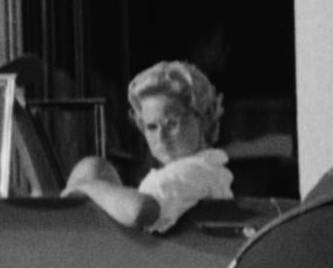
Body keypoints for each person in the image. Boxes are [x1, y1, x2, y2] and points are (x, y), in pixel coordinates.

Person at [66, 57, 235, 231]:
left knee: (91, 170)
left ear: (204, 119)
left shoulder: (190, 172)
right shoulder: (209, 171)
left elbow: (140, 211)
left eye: (172, 124)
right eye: (151, 126)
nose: (161, 137)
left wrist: (87, 185)